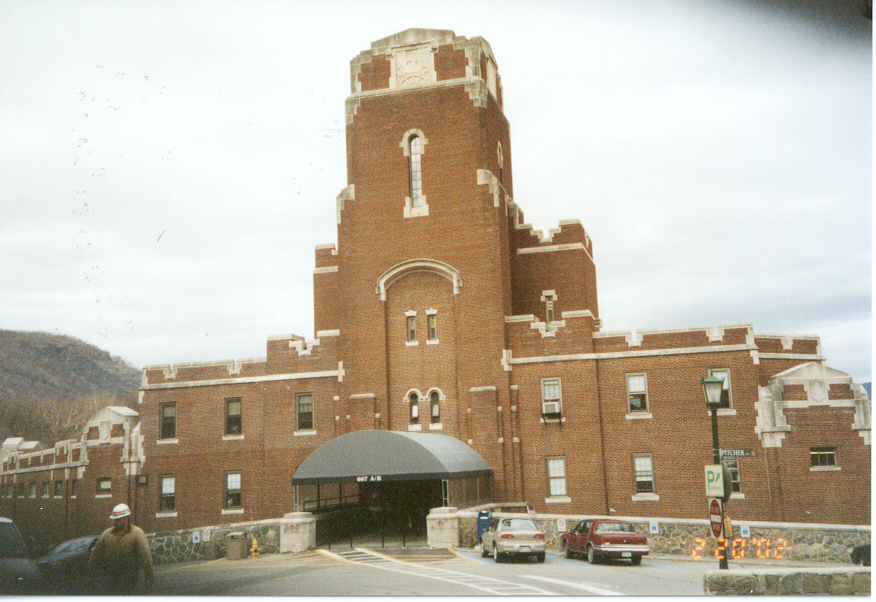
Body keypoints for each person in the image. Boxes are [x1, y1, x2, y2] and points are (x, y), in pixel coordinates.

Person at [87, 503, 154, 594]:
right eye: (114, 519)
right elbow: (95, 556)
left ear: (126, 519)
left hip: (129, 579)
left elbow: (146, 557)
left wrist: (149, 578)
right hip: (110, 579)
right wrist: (90, 576)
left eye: (117, 520)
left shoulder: (137, 534)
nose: (114, 522)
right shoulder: (106, 534)